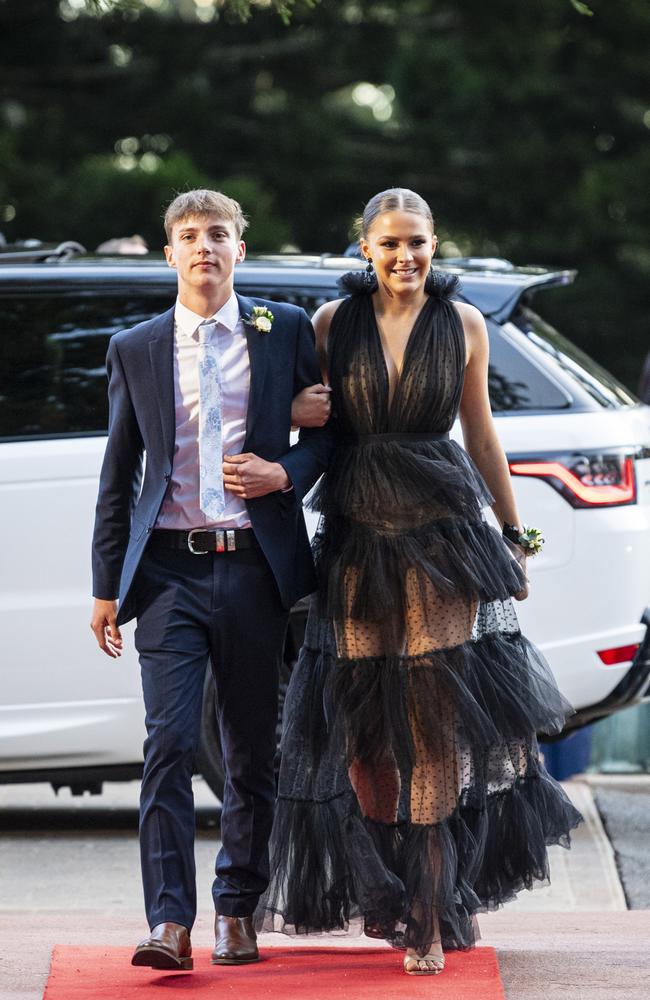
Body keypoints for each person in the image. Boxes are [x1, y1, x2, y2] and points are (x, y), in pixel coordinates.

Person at [257, 188, 582, 976]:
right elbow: (313, 426)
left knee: (434, 726)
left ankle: (433, 914)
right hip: (360, 540)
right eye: (390, 244)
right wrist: (295, 413)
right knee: (366, 730)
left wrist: (511, 536)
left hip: (443, 538)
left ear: (436, 245)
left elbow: (482, 434)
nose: (406, 257)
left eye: (419, 243)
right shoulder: (334, 325)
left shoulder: (464, 324)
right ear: (364, 247)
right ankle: (391, 887)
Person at [90, 189, 331, 971]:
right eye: (189, 236)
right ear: (170, 254)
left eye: (218, 234)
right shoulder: (135, 346)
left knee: (251, 749)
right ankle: (168, 922)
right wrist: (104, 584)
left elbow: (330, 435)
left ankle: (237, 909)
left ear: (239, 248)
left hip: (255, 568)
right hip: (166, 574)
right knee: (166, 743)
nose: (205, 247)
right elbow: (119, 473)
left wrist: (283, 471)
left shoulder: (282, 330)